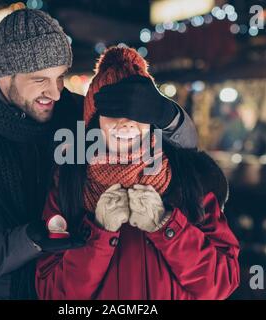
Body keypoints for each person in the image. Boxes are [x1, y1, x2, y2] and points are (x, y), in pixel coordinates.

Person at [0, 9, 198, 299]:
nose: (56, 93)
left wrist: (168, 115)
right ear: (4, 74)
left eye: (60, 77)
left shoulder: (76, 114)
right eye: (40, 79)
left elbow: (184, 156)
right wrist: (30, 239)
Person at [35, 47, 240, 300]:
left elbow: (222, 283)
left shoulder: (187, 178)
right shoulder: (69, 181)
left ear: (152, 118)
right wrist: (98, 235)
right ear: (94, 121)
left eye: (138, 112)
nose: (126, 122)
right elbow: (52, 293)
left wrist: (167, 227)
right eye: (113, 111)